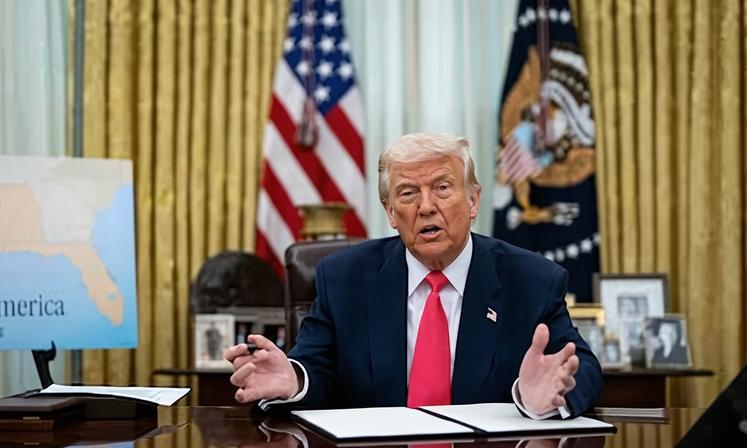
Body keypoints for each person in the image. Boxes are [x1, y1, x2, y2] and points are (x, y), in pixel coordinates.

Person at [224, 133, 603, 418]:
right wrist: (294, 380)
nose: (426, 207)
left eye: (442, 188)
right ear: (390, 212)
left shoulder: (532, 280)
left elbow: (582, 369)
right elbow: (314, 365)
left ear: (472, 201)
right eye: (407, 194)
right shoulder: (344, 279)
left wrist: (536, 398)